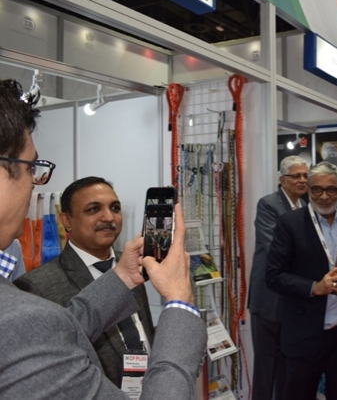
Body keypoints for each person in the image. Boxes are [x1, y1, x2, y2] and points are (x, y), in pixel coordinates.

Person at [0, 79, 205, 399]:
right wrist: (179, 304)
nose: (34, 184)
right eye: (31, 169)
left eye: (115, 207)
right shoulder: (23, 312)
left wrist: (123, 276)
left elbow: (62, 328)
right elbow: (38, 332)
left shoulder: (125, 272)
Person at [14, 177, 156, 387]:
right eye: (93, 209)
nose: (109, 217)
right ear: (66, 221)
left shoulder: (135, 265)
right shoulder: (35, 287)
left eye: (115, 208)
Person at [266, 161, 337, 400]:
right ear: (308, 190)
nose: (324, 196)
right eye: (317, 190)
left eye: (331, 189)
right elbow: (273, 276)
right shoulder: (290, 223)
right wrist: (315, 287)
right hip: (306, 333)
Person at [247, 155, 308, 400]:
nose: (302, 180)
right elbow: (274, 247)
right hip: (268, 299)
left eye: (305, 175)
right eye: (296, 176)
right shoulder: (269, 204)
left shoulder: (305, 206)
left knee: (287, 366)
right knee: (266, 367)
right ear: (282, 180)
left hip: (293, 300)